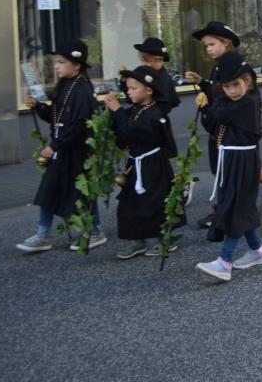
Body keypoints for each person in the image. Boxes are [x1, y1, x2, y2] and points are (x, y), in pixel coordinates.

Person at [186, 22, 262, 227]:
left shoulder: (238, 68)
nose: (208, 49)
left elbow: (245, 96)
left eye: (212, 44)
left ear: (226, 43)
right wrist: (202, 83)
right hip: (222, 122)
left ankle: (227, 209)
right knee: (233, 166)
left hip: (238, 126)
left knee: (237, 165)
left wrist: (210, 110)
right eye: (205, 46)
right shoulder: (219, 67)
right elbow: (218, 91)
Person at [16, 40, 103, 253]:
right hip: (61, 148)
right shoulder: (64, 86)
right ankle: (42, 235)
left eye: (61, 62)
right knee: (49, 189)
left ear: (77, 65)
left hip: (78, 150)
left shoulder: (82, 90)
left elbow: (78, 124)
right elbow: (55, 118)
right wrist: (38, 106)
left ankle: (95, 230)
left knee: (82, 191)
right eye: (56, 62)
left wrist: (54, 145)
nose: (56, 66)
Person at [196, 52, 262, 282]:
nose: (232, 91)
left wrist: (211, 104)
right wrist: (205, 108)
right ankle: (257, 250)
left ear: (247, 81)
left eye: (236, 85)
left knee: (235, 208)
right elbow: (211, 124)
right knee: (242, 205)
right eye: (226, 86)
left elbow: (218, 113)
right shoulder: (230, 101)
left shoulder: (249, 102)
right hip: (230, 160)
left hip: (244, 160)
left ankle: (224, 260)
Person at [105, 66, 182, 259]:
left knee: (154, 201)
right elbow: (123, 132)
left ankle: (163, 239)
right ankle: (137, 239)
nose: (128, 92)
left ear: (148, 90)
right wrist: (113, 116)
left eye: (133, 88)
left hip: (153, 164)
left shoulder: (154, 112)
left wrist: (117, 111)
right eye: (128, 88)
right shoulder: (134, 110)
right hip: (134, 163)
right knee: (130, 202)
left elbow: (135, 130)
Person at [132, 37, 180, 114]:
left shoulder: (164, 77)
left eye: (159, 59)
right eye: (144, 59)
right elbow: (131, 99)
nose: (145, 63)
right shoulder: (140, 72)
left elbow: (166, 105)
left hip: (155, 120)